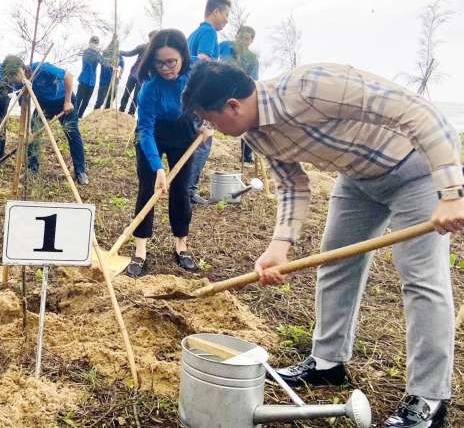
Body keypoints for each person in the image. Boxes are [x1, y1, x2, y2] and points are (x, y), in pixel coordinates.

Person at [182, 61, 463, 428]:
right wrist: (279, 244)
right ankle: (327, 363)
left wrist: (452, 191)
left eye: (211, 119)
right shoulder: (254, 132)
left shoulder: (312, 86)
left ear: (232, 105)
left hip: (415, 172)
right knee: (335, 264)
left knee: (420, 277)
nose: (211, 128)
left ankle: (428, 398)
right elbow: (292, 184)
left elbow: (418, 112)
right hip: (358, 180)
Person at [126, 29, 203, 277]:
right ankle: (140, 250)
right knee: (148, 188)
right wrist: (158, 167)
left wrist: (206, 123)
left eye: (172, 61)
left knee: (181, 190)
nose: (166, 68)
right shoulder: (149, 87)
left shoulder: (195, 76)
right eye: (160, 62)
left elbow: (209, 101)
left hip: (184, 133)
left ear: (183, 57)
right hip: (154, 134)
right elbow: (145, 129)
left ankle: (181, 244)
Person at [2, 55, 89, 185]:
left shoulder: (42, 68)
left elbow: (68, 76)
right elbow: (23, 104)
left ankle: (80, 171)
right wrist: (26, 126)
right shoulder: (19, 83)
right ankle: (33, 168)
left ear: (21, 69)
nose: (13, 80)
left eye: (13, 76)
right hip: (43, 105)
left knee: (72, 134)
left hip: (63, 101)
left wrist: (67, 101)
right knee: (34, 133)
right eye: (11, 78)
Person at [185, 0, 231, 206]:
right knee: (202, 143)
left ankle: (184, 187)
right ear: (216, 11)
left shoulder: (195, 33)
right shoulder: (209, 33)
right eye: (226, 14)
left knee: (192, 144)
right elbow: (203, 62)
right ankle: (188, 190)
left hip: (189, 97)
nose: (227, 20)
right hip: (200, 99)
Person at [219, 25, 259, 163]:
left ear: (251, 41)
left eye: (247, 39)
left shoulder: (252, 58)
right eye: (241, 37)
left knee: (250, 118)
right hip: (220, 87)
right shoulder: (224, 46)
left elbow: (253, 80)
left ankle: (247, 154)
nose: (244, 40)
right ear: (236, 36)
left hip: (240, 92)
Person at [119, 30, 156, 116]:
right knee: (126, 93)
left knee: (136, 97)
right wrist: (120, 52)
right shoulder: (142, 47)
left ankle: (131, 114)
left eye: (154, 38)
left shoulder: (156, 52)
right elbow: (130, 53)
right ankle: (121, 110)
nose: (152, 40)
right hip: (133, 75)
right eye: (150, 38)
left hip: (143, 78)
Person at [93, 36, 124, 110]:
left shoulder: (119, 55)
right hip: (104, 80)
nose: (115, 46)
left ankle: (105, 113)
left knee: (112, 98)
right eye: (114, 44)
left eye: (117, 45)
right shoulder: (106, 53)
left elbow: (122, 66)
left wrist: (119, 76)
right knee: (100, 100)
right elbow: (103, 61)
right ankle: (95, 113)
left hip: (113, 81)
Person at [74, 35, 101, 118]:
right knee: (78, 100)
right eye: (93, 42)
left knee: (86, 102)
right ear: (90, 42)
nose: (94, 43)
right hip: (83, 80)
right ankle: (73, 116)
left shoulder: (98, 54)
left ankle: (80, 117)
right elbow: (88, 60)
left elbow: (104, 62)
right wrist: (96, 53)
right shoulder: (86, 52)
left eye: (96, 42)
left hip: (92, 82)